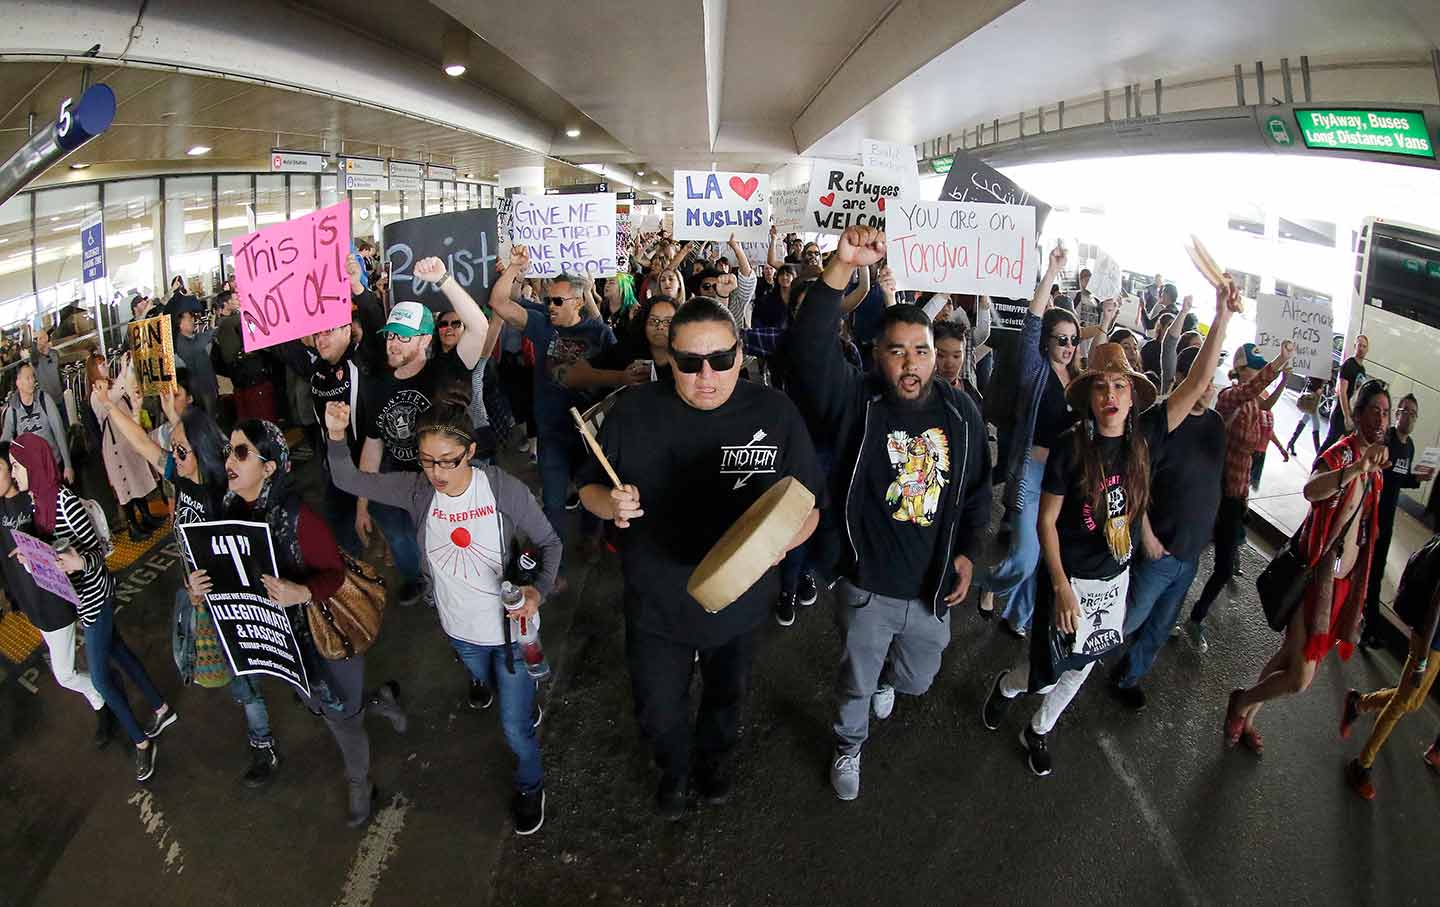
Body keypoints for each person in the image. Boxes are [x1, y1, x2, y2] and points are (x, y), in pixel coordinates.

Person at [981, 278, 1238, 775]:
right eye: (1101, 386)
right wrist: (1060, 586)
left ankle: (1038, 729)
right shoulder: (1070, 446)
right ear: (1090, 396)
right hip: (1068, 580)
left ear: (1133, 395)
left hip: (1113, 583)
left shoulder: (1147, 437)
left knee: (1081, 668)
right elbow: (1047, 520)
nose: (1111, 395)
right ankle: (1007, 687)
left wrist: (1222, 318)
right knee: (1044, 671)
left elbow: (1194, 383)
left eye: (1120, 386)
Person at [578, 298, 823, 819]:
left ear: (740, 354)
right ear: (669, 358)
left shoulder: (775, 412)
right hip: (656, 600)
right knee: (657, 707)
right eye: (689, 363)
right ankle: (673, 770)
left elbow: (809, 505)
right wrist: (610, 504)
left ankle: (715, 762)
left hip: (739, 600)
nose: (706, 376)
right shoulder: (633, 411)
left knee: (727, 695)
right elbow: (588, 489)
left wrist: (778, 544)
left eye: (721, 359)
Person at [784, 226, 990, 801]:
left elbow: (977, 492)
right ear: (877, 356)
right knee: (856, 682)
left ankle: (888, 682)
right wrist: (841, 266)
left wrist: (968, 552)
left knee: (919, 680)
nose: (911, 363)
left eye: (921, 351)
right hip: (867, 586)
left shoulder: (962, 415)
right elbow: (807, 351)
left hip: (931, 589)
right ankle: (848, 744)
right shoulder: (857, 402)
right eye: (897, 350)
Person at [325, 393, 560, 835]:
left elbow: (550, 542)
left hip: (513, 634)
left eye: (448, 461)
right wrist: (336, 436)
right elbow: (347, 478)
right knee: (487, 683)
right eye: (428, 460)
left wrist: (538, 592)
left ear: (470, 451)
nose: (437, 472)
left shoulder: (502, 489)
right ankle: (517, 698)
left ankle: (531, 785)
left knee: (515, 729)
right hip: (460, 631)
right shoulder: (417, 490)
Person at [204, 419, 406, 825]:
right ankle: (376, 701)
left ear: (269, 468)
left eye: (241, 453)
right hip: (284, 640)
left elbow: (335, 575)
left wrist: (301, 592)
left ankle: (360, 784)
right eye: (229, 451)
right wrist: (200, 586)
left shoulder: (300, 517)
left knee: (341, 719)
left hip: (325, 632)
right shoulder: (230, 510)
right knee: (324, 705)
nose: (229, 461)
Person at [1224, 379, 1391, 755]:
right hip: (1317, 579)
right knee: (1299, 678)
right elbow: (1312, 489)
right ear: (1357, 414)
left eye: (1386, 413)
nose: (1382, 420)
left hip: (1340, 586)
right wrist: (1355, 468)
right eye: (1374, 411)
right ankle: (1241, 701)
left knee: (1287, 658)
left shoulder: (1377, 473)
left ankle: (1247, 717)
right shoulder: (1342, 455)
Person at [10, 433, 176, 781]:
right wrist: (32, 557)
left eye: (16, 466)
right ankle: (161, 708)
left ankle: (142, 742)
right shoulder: (38, 501)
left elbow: (99, 552)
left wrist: (77, 563)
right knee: (120, 652)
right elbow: (52, 550)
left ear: (34, 465)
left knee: (100, 678)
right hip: (80, 599)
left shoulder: (64, 502)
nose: (13, 472)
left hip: (95, 598)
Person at [358, 256, 489, 606]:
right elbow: (373, 444)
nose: (393, 343)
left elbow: (479, 328)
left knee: (446, 544)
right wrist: (362, 502)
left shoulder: (445, 371)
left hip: (442, 482)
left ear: (425, 339)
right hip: (396, 482)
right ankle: (418, 581)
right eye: (391, 335)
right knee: (402, 539)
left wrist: (443, 279)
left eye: (404, 336)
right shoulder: (377, 385)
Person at [1108, 344, 1227, 706]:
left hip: (1190, 554)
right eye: (1202, 380)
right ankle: (1078, 662)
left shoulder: (1216, 424)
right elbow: (1135, 485)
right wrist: (1146, 535)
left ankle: (1128, 677)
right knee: (1128, 619)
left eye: (1212, 380)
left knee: (1160, 626)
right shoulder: (1162, 425)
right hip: (1158, 551)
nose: (1209, 387)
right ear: (1183, 380)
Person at [977, 247, 1079, 634]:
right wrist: (1051, 271)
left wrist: (1105, 320)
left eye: (1073, 340)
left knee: (1045, 556)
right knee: (1024, 557)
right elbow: (1032, 324)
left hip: (1064, 479)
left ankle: (1018, 616)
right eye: (1061, 339)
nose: (1068, 346)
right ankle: (989, 582)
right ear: (1047, 341)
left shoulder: (1081, 380)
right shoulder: (1034, 372)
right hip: (1031, 474)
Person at [489, 246, 615, 536]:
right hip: (552, 434)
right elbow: (499, 302)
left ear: (579, 302)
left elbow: (617, 381)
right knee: (553, 503)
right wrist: (514, 268)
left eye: (558, 301)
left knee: (591, 498)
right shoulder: (542, 325)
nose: (551, 306)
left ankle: (590, 543)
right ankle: (553, 559)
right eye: (548, 300)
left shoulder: (600, 334)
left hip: (589, 436)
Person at [1185, 341, 1294, 652]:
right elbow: (1253, 391)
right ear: (1240, 369)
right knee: (1189, 557)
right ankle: (1169, 614)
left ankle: (1195, 617)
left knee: (1221, 566)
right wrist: (1279, 362)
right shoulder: (1230, 397)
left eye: (1261, 370)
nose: (1258, 375)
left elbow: (1265, 404)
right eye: (1254, 369)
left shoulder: (1253, 405)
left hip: (1235, 496)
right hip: (1214, 492)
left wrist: (1282, 379)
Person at [0, 442, 111, 745]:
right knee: (78, 661)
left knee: (64, 674)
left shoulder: (34, 501)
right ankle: (104, 694)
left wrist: (37, 555)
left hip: (54, 601)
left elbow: (68, 548)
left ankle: (103, 699)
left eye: (5, 467)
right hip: (31, 602)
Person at [1341, 530, 1440, 798]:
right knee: (1400, 704)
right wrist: (1421, 661)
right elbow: (1435, 608)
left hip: (1436, 645)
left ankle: (1359, 703)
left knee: (1412, 702)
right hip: (1429, 643)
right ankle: (1362, 765)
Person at [1362, 393, 1434, 647]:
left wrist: (1417, 479)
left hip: (1387, 518)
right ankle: (1365, 624)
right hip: (1370, 513)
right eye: (1404, 411)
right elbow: (1373, 471)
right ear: (1396, 414)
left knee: (1376, 572)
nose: (1408, 417)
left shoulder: (1409, 446)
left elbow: (1400, 479)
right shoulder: (1387, 439)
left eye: (1413, 414)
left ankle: (1368, 627)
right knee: (1362, 567)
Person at [87, 354, 162, 541]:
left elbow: (125, 389)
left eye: (105, 363)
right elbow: (114, 396)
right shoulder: (96, 394)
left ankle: (146, 516)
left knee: (136, 478)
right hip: (115, 445)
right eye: (101, 364)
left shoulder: (111, 384)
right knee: (125, 485)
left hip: (127, 439)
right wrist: (124, 369)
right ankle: (132, 526)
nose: (105, 366)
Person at [1, 362, 74, 484]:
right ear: (18, 382)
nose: (32, 381)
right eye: (28, 378)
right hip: (33, 472)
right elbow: (5, 441)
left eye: (33, 377)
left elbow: (59, 432)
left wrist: (68, 465)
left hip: (54, 463)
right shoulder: (12, 411)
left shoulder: (44, 400)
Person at [171, 296, 222, 417]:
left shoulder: (193, 338)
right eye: (189, 319)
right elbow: (196, 346)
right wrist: (213, 330)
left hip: (208, 385)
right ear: (180, 324)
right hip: (200, 389)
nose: (193, 321)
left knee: (214, 414)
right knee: (208, 418)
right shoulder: (180, 342)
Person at [1320, 334, 1369, 456]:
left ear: (1367, 349)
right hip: (1340, 414)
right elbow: (1342, 391)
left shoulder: (1362, 370)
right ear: (1355, 346)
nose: (1361, 349)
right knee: (1330, 443)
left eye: (1364, 346)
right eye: (1359, 345)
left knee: (1341, 448)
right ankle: (1317, 463)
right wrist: (1346, 416)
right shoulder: (1349, 364)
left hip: (1352, 416)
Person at [28, 330, 67, 428]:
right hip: (47, 400)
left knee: (65, 423)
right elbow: (33, 356)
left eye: (42, 338)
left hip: (60, 395)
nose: (40, 341)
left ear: (47, 338)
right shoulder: (35, 359)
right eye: (38, 339)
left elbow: (58, 372)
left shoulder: (54, 353)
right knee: (55, 426)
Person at [1286, 377, 1328, 457]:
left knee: (1305, 418)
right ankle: (1318, 453)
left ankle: (1291, 442)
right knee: (1316, 424)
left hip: (1315, 394)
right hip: (1312, 394)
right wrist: (1317, 388)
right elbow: (1311, 376)